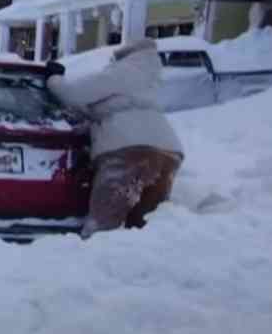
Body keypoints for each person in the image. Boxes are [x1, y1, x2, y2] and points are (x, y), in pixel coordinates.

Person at [46, 38, 184, 239]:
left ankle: (92, 263)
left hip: (130, 151)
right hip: (168, 153)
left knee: (103, 223)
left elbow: (74, 93)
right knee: (144, 227)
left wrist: (53, 79)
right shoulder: (149, 76)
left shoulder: (127, 70)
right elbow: (108, 109)